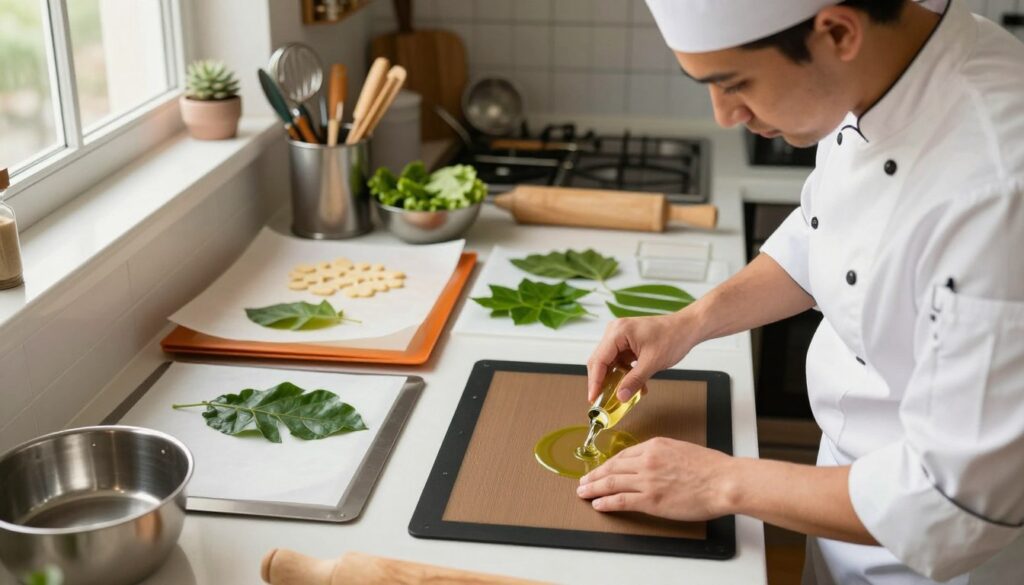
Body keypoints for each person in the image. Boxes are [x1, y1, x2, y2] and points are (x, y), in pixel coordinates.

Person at [576, 0, 1024, 583]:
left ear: (837, 32)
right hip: (835, 500)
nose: (724, 115)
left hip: (938, 564)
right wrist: (687, 322)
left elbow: (953, 503)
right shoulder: (875, 74)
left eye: (734, 83)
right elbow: (822, 239)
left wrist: (720, 482)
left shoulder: (997, 189)